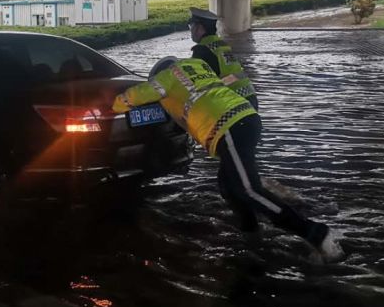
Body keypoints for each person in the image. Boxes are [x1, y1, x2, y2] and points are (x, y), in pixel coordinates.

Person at [112, 56, 344, 262]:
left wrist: (113, 103)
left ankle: (315, 233)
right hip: (245, 121)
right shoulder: (195, 66)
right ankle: (251, 235)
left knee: (249, 190)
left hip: (230, 128)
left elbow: (135, 95)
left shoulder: (166, 77)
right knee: (228, 186)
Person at [188, 8, 258, 109]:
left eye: (191, 26)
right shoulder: (221, 45)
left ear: (199, 28)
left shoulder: (202, 50)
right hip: (250, 97)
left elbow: (195, 81)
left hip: (234, 102)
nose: (191, 31)